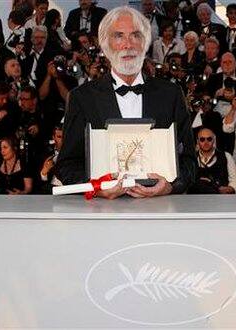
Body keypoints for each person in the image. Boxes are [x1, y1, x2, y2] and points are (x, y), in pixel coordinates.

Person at [57, 6, 196, 198]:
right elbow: (67, 166)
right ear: (105, 45)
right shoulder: (82, 97)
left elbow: (189, 161)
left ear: (146, 42)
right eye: (119, 36)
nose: (128, 44)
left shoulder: (170, 94)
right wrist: (97, 189)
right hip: (103, 215)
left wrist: (170, 186)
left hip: (160, 211)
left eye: (136, 35)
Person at [188, 127, 236, 194]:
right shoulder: (191, 158)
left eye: (209, 139)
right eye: (202, 139)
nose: (206, 142)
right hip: (195, 198)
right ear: (197, 141)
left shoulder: (226, 156)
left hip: (220, 199)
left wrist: (230, 188)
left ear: (214, 140)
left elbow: (234, 181)